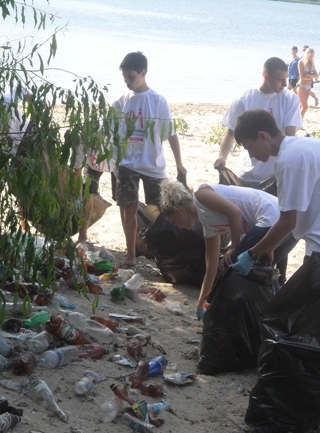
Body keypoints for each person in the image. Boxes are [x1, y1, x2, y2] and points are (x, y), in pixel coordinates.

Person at [230, 109, 320, 275]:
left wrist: (251, 254)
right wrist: (271, 246)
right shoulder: (302, 146)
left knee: (315, 295)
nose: (251, 155)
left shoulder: (290, 160)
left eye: (250, 148)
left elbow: (288, 222)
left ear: (262, 136)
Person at [160, 181, 293, 319]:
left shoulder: (201, 195)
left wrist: (233, 246)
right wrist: (200, 304)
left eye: (175, 222)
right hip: (285, 224)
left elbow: (235, 213)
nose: (178, 227)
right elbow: (211, 266)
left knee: (234, 265)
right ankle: (276, 318)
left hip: (274, 218)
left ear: (177, 211)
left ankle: (229, 316)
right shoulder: (208, 225)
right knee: (264, 271)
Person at [112, 51, 187, 268]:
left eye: (131, 77)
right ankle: (131, 253)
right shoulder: (120, 102)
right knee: (128, 207)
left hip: (153, 165)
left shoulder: (157, 101)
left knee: (163, 209)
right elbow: (111, 134)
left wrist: (179, 162)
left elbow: (171, 133)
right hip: (127, 164)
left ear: (143, 73)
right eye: (124, 77)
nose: (127, 81)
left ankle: (161, 250)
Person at [213, 57, 303, 188]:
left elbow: (290, 136)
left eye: (286, 78)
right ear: (267, 77)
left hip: (275, 175)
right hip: (247, 175)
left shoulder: (290, 100)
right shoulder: (244, 99)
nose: (285, 84)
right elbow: (230, 133)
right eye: (280, 79)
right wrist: (222, 157)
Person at [297, 48, 318, 118]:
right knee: (305, 107)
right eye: (310, 56)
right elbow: (302, 77)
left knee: (302, 105)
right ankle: (299, 120)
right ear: (307, 55)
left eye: (312, 56)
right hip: (302, 86)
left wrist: (308, 75)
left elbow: (316, 74)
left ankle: (298, 120)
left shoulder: (312, 62)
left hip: (308, 86)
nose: (311, 57)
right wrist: (311, 76)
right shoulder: (301, 62)